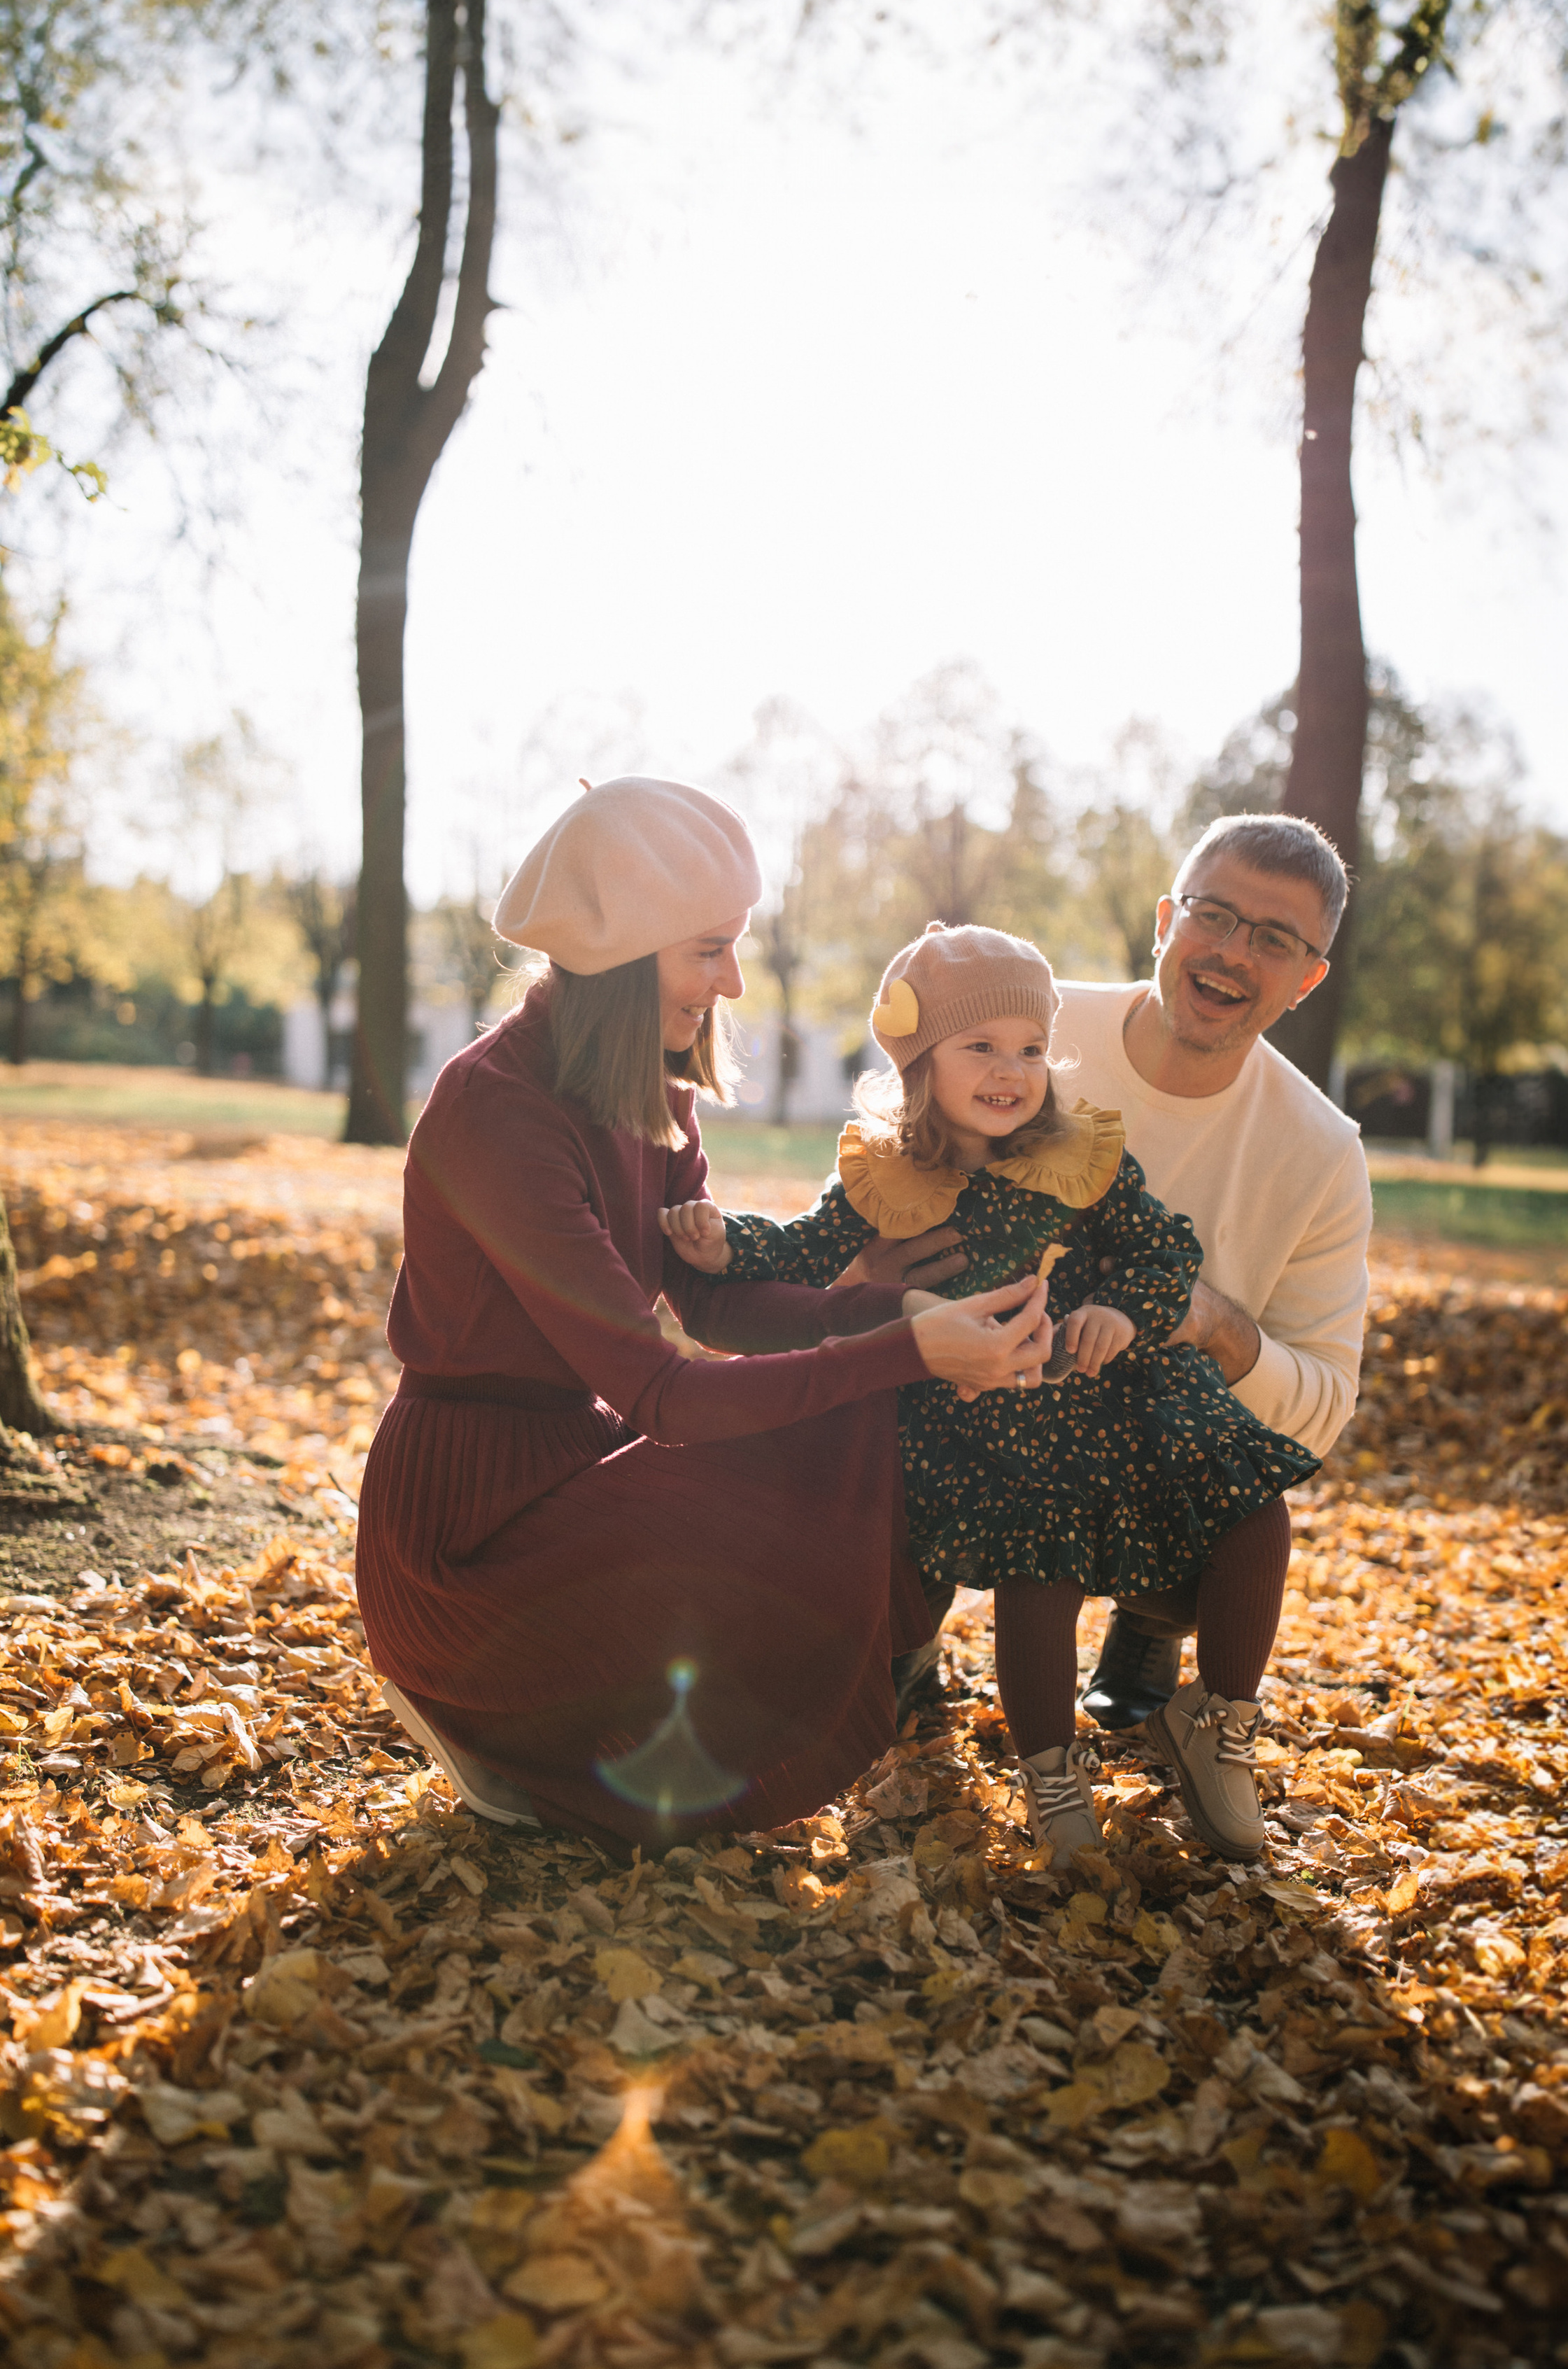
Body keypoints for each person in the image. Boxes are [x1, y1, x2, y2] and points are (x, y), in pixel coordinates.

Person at [356, 778, 1052, 1847]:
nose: (733, 977)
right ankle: (486, 1714)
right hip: (461, 1533)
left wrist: (891, 1305)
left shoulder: (651, 1090)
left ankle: (583, 1722)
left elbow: (715, 1299)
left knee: (850, 1413)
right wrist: (902, 1344)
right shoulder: (497, 1111)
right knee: (828, 1418)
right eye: (708, 948)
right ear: (627, 952)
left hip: (566, 1466)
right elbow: (664, 1392)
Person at [664, 922, 1320, 1864]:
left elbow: (1164, 1249)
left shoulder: (1080, 1155)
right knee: (1037, 1574)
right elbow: (804, 1250)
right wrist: (724, 1242)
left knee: (1254, 1512)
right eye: (981, 1047)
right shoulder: (888, 1172)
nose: (1012, 1071)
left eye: (1029, 1048)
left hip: (1117, 1388)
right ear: (921, 1060)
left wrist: (1124, 1314)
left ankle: (1222, 1723)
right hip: (997, 1417)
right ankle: (1053, 1779)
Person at [845, 817, 1373, 1856]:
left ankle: (1161, 1640)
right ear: (1167, 918)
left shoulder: (1318, 1151)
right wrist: (861, 1273)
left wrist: (1215, 1323)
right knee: (907, 1454)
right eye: (1213, 916)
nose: (1231, 951)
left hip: (1136, 1446)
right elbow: (891, 1140)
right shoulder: (1034, 1036)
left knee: (1242, 1504)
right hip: (968, 1407)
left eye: (1273, 938)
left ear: (1308, 979)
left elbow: (1322, 1406)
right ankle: (901, 1638)